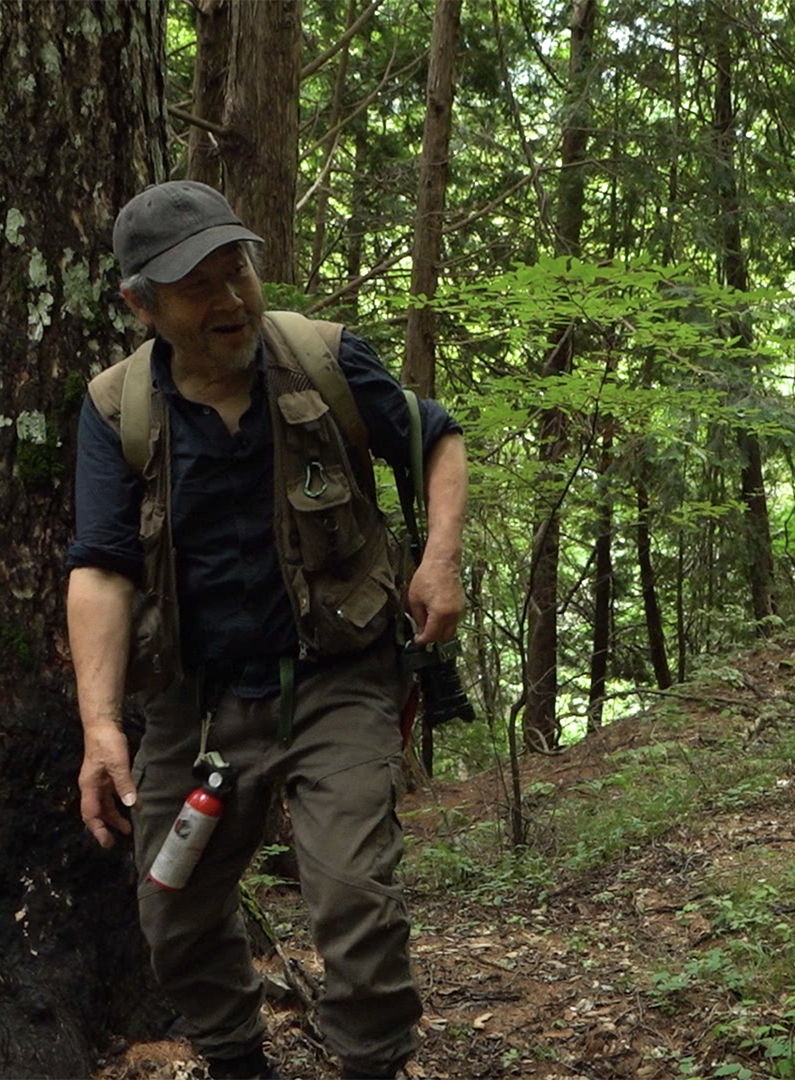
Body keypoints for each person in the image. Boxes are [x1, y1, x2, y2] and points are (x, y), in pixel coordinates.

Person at [66, 180, 468, 1080]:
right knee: (172, 913)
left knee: (356, 902)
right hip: (195, 708)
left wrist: (438, 559)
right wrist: (100, 724)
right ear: (141, 303)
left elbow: (435, 438)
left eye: (236, 269)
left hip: (338, 679)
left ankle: (369, 1062)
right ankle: (236, 1063)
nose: (231, 299)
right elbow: (99, 567)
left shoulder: (323, 358)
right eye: (198, 285)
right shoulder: (116, 409)